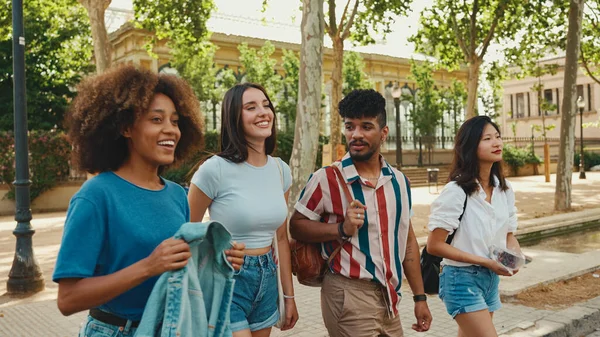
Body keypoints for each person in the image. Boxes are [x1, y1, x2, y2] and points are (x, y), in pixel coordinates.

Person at [53, 65, 245, 337]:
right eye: (157, 119)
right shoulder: (96, 196)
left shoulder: (178, 195)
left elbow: (180, 270)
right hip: (116, 331)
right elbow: (67, 299)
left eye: (175, 121)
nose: (171, 130)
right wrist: (148, 266)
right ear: (126, 127)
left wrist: (218, 259)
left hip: (169, 328)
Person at [290, 89, 432, 337]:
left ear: (383, 132)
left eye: (366, 126)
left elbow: (407, 241)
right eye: (350, 126)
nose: (356, 134)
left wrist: (420, 298)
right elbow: (297, 225)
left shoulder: (399, 182)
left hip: (390, 297)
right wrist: (340, 229)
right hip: (348, 294)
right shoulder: (327, 178)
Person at [188, 83, 299, 337]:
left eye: (266, 105)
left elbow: (281, 239)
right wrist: (215, 254)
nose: (263, 112)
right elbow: (185, 232)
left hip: (267, 279)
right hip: (228, 279)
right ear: (234, 119)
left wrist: (289, 296)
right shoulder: (214, 169)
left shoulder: (281, 170)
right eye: (251, 107)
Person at [426, 115, 522, 337]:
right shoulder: (457, 191)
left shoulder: (504, 191)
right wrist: (485, 261)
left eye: (497, 136)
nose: (496, 143)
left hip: (490, 280)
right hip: (460, 280)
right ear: (470, 146)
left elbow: (509, 235)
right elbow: (434, 245)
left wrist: (515, 257)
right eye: (487, 138)